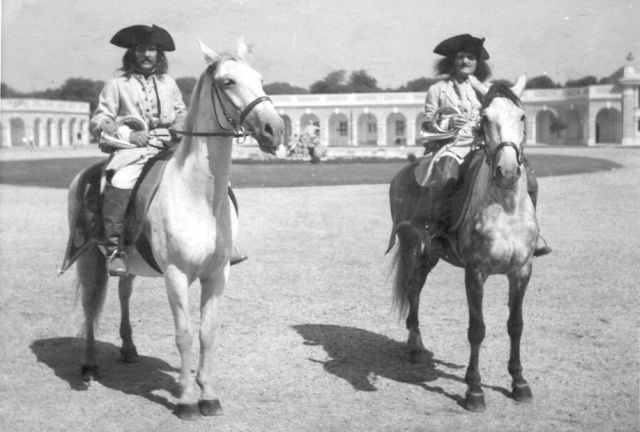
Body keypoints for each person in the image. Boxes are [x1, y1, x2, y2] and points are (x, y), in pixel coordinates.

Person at [91, 24, 247, 276]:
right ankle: (115, 250)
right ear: (132, 53)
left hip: (169, 147)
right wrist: (129, 134)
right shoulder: (117, 85)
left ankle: (223, 241)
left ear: (159, 55)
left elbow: (182, 112)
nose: (147, 55)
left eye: (152, 50)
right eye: (141, 49)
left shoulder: (168, 83)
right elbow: (101, 120)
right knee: (121, 182)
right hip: (132, 151)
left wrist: (178, 124)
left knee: (213, 179)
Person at [421, 34, 551, 257]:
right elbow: (427, 123)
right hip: (453, 146)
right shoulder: (437, 90)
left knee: (529, 178)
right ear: (452, 61)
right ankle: (439, 234)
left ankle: (533, 233)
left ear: (477, 62)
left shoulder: (488, 89)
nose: (465, 61)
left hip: (484, 146)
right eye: (461, 57)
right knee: (446, 177)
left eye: (470, 57)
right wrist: (448, 121)